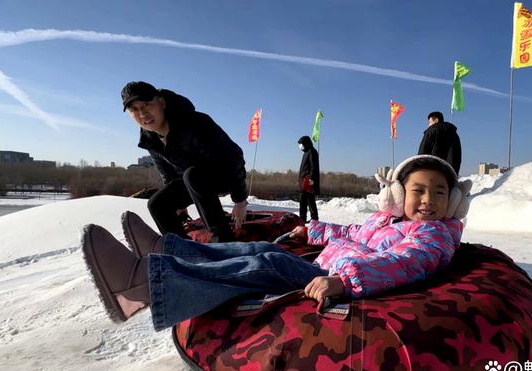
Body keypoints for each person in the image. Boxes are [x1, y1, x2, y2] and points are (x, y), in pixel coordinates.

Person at [80, 155, 471, 331]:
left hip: (342, 282)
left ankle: (147, 286)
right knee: (262, 250)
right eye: (418, 190)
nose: (428, 200)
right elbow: (354, 235)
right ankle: (170, 251)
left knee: (267, 265)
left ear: (453, 201)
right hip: (331, 267)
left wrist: (346, 281)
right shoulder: (389, 218)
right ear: (399, 194)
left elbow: (404, 263)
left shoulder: (434, 237)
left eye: (439, 193)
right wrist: (314, 231)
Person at [121, 81, 248, 242]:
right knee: (157, 204)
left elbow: (234, 156)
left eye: (147, 104)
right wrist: (178, 206)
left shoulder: (195, 123)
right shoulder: (150, 139)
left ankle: (224, 240)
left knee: (192, 175)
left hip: (223, 176)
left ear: (161, 102)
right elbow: (169, 175)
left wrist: (240, 201)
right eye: (134, 109)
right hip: (193, 182)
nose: (142, 114)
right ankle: (183, 249)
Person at [297, 136, 320, 222]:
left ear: (306, 143)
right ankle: (304, 218)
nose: (300, 146)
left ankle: (313, 218)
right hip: (303, 181)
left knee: (308, 200)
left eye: (301, 144)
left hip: (307, 181)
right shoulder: (306, 153)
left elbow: (314, 167)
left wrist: (311, 178)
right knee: (306, 200)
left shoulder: (312, 152)